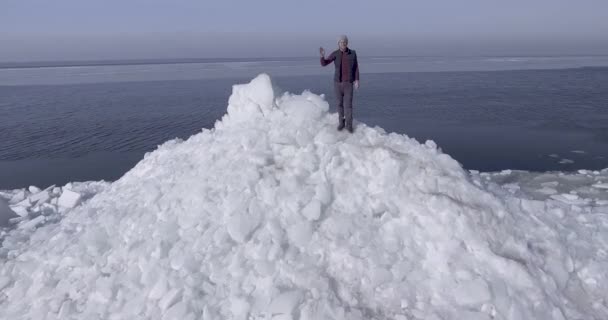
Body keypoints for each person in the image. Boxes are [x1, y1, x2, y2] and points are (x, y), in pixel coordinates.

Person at [320, 35, 360, 133]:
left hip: (348, 84)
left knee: (348, 105)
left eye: (344, 42)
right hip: (337, 83)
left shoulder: (353, 53)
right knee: (339, 104)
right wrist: (322, 56)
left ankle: (349, 125)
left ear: (347, 43)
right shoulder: (335, 53)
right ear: (338, 44)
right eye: (341, 42)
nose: (343, 44)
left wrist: (357, 80)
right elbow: (324, 63)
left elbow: (356, 68)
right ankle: (341, 123)